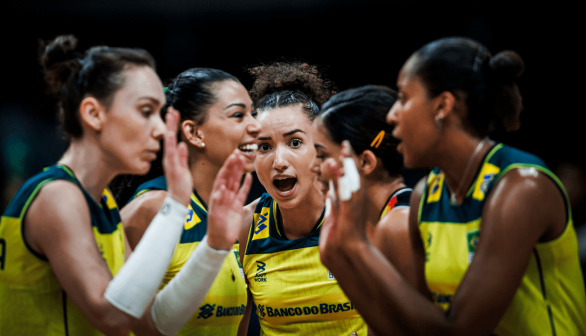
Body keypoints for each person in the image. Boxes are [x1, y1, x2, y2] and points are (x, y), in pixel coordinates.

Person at [319, 37, 586, 335]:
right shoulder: (425, 195)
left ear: (443, 105)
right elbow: (413, 329)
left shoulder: (521, 188)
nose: (392, 115)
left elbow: (458, 331)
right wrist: (338, 257)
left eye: (404, 98)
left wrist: (357, 247)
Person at [0, 35, 250, 336]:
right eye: (145, 111)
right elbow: (112, 318)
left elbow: (154, 324)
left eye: (159, 112)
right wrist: (176, 208)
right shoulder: (57, 197)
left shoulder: (104, 204)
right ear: (93, 114)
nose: (158, 128)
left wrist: (214, 248)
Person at [120, 67, 260, 335]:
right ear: (194, 133)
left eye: (252, 113)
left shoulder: (234, 219)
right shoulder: (151, 210)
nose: (256, 125)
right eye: (238, 115)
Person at [238, 62, 367, 335]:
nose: (279, 161)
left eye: (295, 142)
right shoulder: (243, 227)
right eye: (264, 147)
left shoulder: (364, 217)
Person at [310, 85, 414, 281]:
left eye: (322, 156)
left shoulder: (398, 226)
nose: (312, 166)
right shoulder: (375, 222)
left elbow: (415, 313)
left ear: (365, 162)